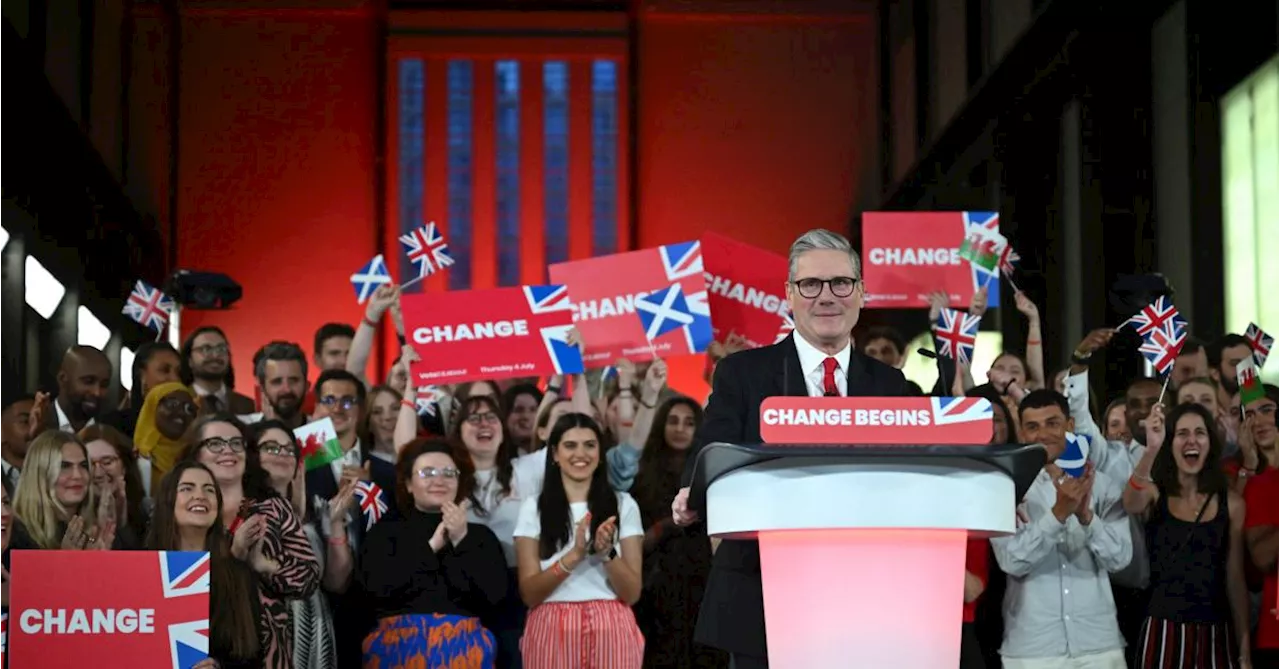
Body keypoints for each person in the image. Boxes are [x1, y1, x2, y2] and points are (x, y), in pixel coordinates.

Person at [670, 228, 909, 668]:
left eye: (841, 283)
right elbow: (713, 445)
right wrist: (692, 492)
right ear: (789, 295)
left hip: (867, 599)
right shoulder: (742, 373)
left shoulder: (891, 385)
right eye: (810, 284)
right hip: (763, 596)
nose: (826, 296)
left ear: (861, 293)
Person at [360, 438, 507, 667]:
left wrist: (460, 540)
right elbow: (378, 590)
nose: (439, 480)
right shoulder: (385, 531)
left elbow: (493, 598)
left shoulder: (480, 536)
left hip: (465, 652)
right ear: (408, 483)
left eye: (449, 473)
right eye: (427, 472)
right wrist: (431, 547)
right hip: (398, 650)